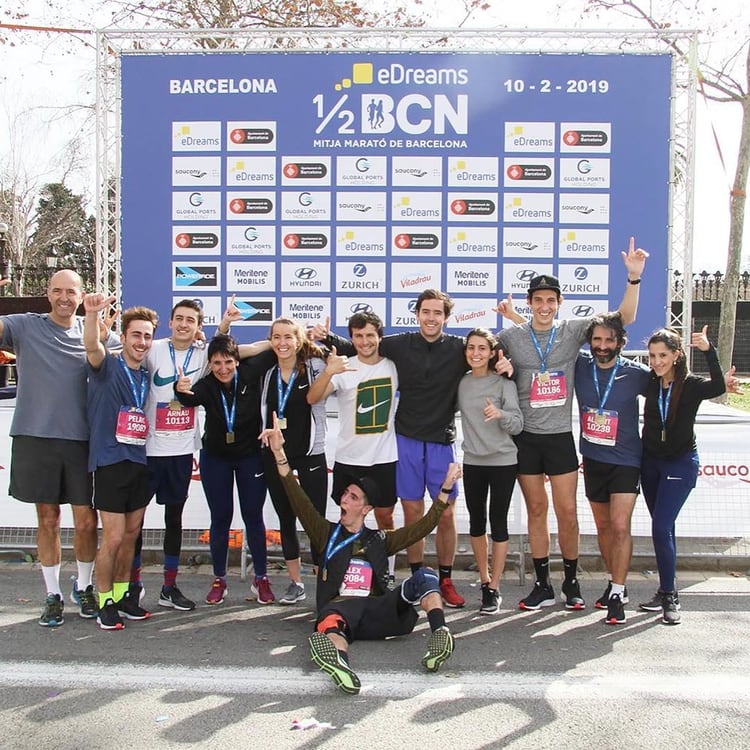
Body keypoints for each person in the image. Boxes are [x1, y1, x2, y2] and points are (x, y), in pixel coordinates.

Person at [312, 290, 495, 608]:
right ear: (417, 314)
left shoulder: (457, 347)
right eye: (426, 311)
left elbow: (488, 353)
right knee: (412, 514)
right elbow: (362, 345)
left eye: (437, 313)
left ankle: (446, 578)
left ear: (446, 317)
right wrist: (327, 337)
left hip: (441, 442)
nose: (431, 318)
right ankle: (416, 575)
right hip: (406, 441)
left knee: (446, 514)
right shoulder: (398, 344)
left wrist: (505, 362)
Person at [260, 411, 461, 696]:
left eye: (352, 497)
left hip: (379, 612)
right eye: (344, 495)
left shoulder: (379, 539)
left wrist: (444, 491)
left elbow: (421, 528)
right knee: (328, 621)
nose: (344, 499)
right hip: (342, 610)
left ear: (366, 510)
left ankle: (440, 634)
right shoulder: (324, 533)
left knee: (426, 576)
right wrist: (279, 453)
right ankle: (340, 664)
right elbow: (296, 496)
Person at [495, 238, 648, 610]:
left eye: (551, 300)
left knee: (566, 512)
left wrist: (633, 279)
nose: (544, 306)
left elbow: (622, 319)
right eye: (538, 300)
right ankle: (543, 583)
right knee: (535, 511)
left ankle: (572, 581)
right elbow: (475, 353)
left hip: (561, 438)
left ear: (559, 303)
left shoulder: (572, 331)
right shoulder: (510, 336)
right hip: (525, 438)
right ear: (530, 304)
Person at [0, 269, 119, 627]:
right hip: (35, 437)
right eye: (57, 291)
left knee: (86, 522)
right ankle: (51, 594)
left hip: (83, 441)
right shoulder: (25, 325)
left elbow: (134, 353)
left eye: (71, 291)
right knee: (48, 519)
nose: (64, 298)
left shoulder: (95, 332)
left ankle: (82, 587)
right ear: (48, 294)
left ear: (81, 295)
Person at [175, 334, 276, 605]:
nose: (223, 368)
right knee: (221, 518)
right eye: (217, 363)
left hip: (250, 457)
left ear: (237, 361)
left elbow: (271, 347)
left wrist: (268, 341)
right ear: (210, 363)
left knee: (253, 516)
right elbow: (188, 400)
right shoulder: (207, 385)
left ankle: (261, 579)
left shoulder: (251, 374)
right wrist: (179, 389)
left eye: (228, 362)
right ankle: (219, 578)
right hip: (215, 458)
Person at [639, 326, 725, 625]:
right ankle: (664, 590)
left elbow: (718, 387)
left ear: (676, 356)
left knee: (661, 528)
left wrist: (708, 351)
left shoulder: (690, 384)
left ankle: (671, 594)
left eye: (663, 355)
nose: (657, 361)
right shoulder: (649, 381)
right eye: (652, 356)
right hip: (650, 464)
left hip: (680, 463)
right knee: (665, 528)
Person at [306, 311, 399, 585]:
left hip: (383, 457)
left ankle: (387, 573)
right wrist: (329, 371)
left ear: (379, 337)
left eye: (370, 335)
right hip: (349, 458)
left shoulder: (394, 366)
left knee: (385, 517)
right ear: (351, 338)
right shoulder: (343, 367)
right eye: (358, 336)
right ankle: (345, 573)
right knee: (347, 517)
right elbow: (312, 397)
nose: (365, 341)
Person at [84, 294, 158, 630]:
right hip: (110, 461)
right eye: (136, 335)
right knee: (112, 538)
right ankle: (104, 602)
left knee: (131, 535)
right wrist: (91, 313)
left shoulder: (144, 375)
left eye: (147, 336)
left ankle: (124, 595)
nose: (141, 342)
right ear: (123, 337)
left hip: (138, 461)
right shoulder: (107, 364)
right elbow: (91, 348)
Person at [573, 313, 650, 625]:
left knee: (620, 526)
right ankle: (614, 582)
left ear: (620, 342)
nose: (602, 346)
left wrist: (714, 380)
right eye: (597, 340)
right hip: (593, 458)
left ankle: (617, 593)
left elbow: (672, 383)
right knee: (604, 528)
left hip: (627, 460)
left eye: (609, 340)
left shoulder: (637, 373)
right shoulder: (580, 365)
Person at [259, 317, 328, 605]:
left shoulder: (315, 366)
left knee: (315, 520)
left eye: (289, 337)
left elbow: (332, 384)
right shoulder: (266, 372)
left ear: (299, 341)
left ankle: (324, 584)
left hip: (311, 453)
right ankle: (295, 583)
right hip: (276, 454)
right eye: (276, 337)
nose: (282, 343)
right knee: (286, 518)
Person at [457, 328, 523, 614]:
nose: (476, 353)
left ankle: (495, 587)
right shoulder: (461, 383)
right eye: (471, 347)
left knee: (498, 523)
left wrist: (501, 415)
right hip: (472, 460)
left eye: (482, 348)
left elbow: (518, 423)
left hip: (503, 462)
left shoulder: (504, 383)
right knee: (475, 523)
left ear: (492, 352)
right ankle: (483, 581)